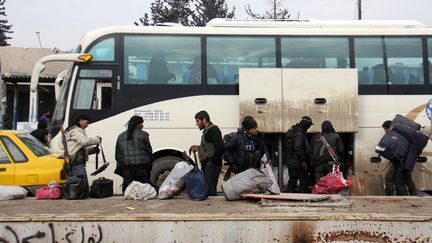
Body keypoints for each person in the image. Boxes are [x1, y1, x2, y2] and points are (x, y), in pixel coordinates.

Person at [115, 115, 153, 193]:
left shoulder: (120, 136)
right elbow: (149, 151)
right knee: (146, 189)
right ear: (138, 124)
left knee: (127, 191)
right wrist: (149, 163)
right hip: (142, 167)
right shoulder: (143, 134)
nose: (143, 125)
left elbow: (117, 154)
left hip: (126, 168)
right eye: (142, 123)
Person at [190, 110, 224, 196]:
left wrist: (211, 162)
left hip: (212, 166)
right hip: (209, 165)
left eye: (198, 121)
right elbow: (209, 147)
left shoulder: (213, 130)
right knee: (207, 191)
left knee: (210, 192)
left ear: (204, 120)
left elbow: (220, 147)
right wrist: (198, 147)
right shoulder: (207, 131)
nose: (196, 123)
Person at [62, 114, 101, 187]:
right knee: (79, 184)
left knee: (79, 184)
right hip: (76, 162)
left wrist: (92, 150)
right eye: (87, 122)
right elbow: (84, 141)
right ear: (81, 120)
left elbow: (78, 148)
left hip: (76, 161)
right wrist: (97, 139)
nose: (87, 125)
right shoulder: (75, 130)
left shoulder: (74, 130)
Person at [285, 116, 314, 193]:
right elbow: (298, 148)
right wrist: (303, 161)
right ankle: (302, 199)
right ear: (306, 125)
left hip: (291, 161)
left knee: (292, 181)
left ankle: (289, 198)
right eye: (309, 125)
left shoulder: (294, 130)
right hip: (298, 163)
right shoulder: (300, 133)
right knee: (303, 182)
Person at [381, 120, 396, 196]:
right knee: (400, 180)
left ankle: (389, 195)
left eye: (385, 129)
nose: (385, 131)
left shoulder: (394, 136)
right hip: (397, 160)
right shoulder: (396, 135)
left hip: (398, 161)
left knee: (388, 178)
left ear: (389, 128)